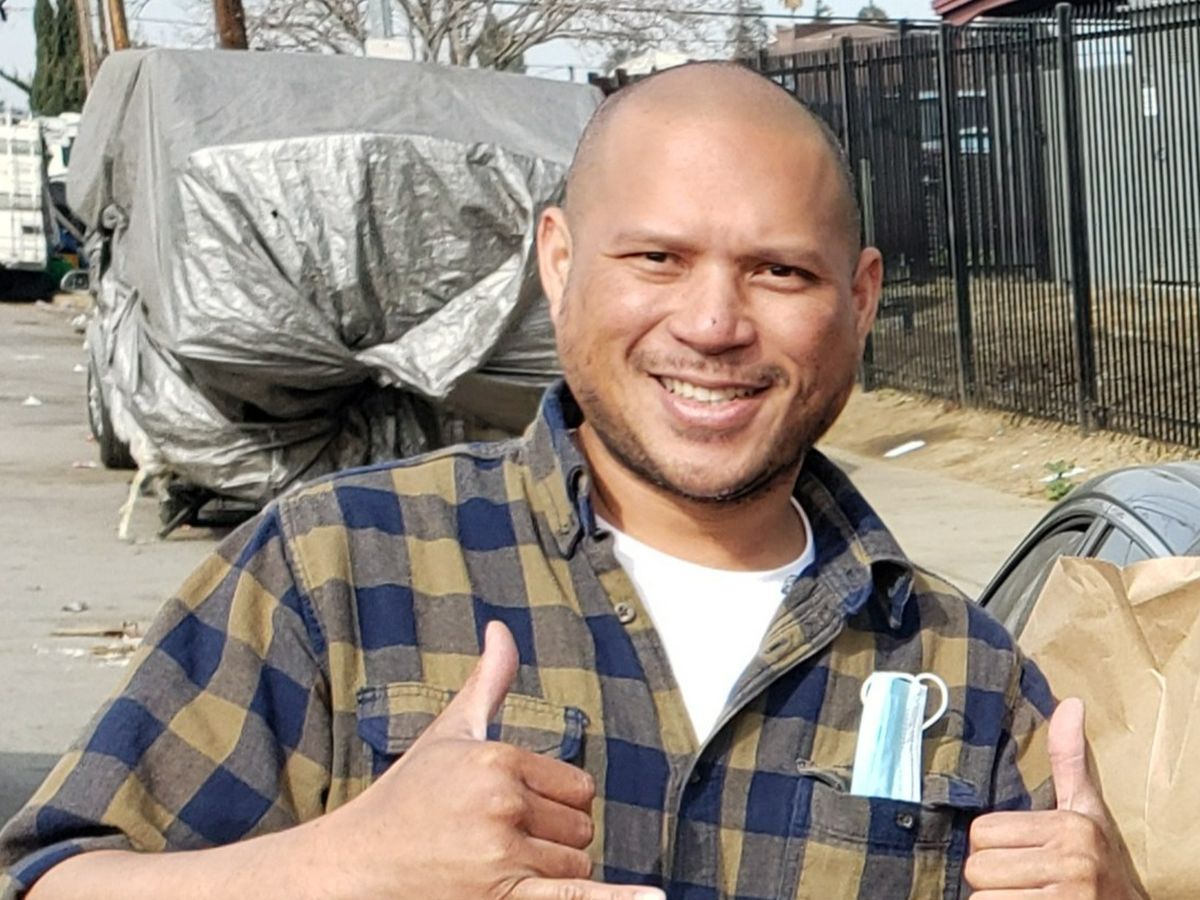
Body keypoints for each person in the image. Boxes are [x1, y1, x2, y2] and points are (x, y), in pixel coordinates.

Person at [0, 62, 1140, 900]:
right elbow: (54, 878)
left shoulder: (967, 673)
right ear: (558, 261)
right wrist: (340, 867)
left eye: (780, 272)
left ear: (861, 299)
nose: (713, 323)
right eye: (656, 258)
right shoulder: (338, 570)